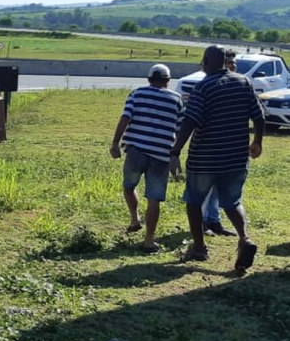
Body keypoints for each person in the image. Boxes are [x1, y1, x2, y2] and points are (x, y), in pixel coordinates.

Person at [170, 45, 264, 271]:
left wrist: (175, 152)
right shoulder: (243, 82)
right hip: (235, 157)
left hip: (205, 158)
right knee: (232, 202)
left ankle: (200, 247)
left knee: (193, 201)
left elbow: (190, 121)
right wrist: (257, 141)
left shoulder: (204, 87)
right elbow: (259, 115)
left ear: (206, 62)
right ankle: (244, 239)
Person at [109, 64, 184, 252]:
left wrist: (115, 143)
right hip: (161, 154)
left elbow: (125, 118)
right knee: (154, 199)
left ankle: (135, 218)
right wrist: (176, 154)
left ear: (149, 79)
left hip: (136, 151)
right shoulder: (177, 99)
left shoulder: (137, 93)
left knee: (129, 186)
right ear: (168, 81)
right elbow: (180, 129)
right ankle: (149, 240)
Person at [199, 49, 240, 237]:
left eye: (233, 63)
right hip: (210, 147)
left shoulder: (239, 83)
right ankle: (201, 224)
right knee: (205, 189)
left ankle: (214, 221)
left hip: (230, 148)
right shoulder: (208, 84)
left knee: (219, 189)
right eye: (229, 62)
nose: (232, 65)